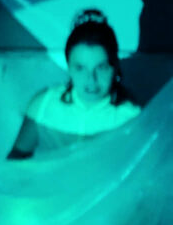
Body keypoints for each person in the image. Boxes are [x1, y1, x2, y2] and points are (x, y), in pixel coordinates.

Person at [8, 9, 141, 159]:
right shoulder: (45, 104)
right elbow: (14, 164)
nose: (91, 80)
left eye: (101, 67)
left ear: (115, 66)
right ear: (69, 67)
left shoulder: (131, 117)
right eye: (80, 68)